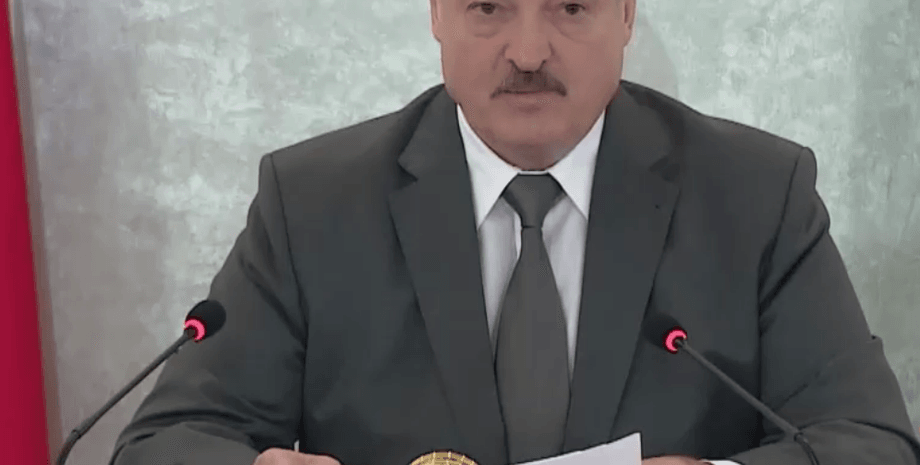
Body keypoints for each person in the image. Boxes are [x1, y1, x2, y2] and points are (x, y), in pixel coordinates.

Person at [110, 0, 920, 464]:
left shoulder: (756, 194)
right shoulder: (313, 202)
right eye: (489, 5)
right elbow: (165, 441)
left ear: (627, 14)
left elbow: (871, 442)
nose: (528, 51)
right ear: (436, 13)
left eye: (570, 6)